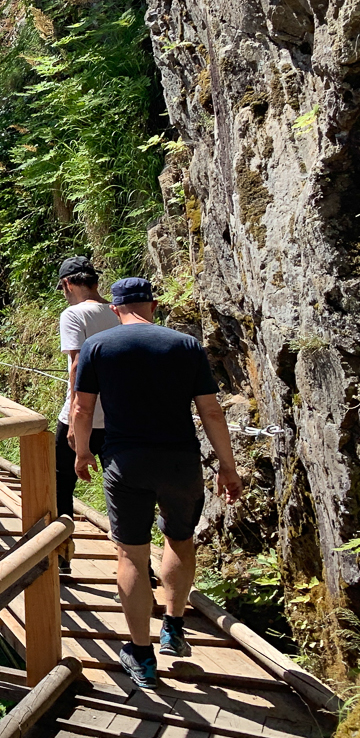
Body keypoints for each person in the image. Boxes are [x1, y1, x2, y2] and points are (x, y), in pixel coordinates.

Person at [69, 276, 242, 690]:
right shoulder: (185, 345)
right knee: (180, 540)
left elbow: (82, 407)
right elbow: (212, 412)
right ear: (154, 305)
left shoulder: (98, 346)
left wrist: (82, 452)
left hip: (126, 462)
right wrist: (227, 466)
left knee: (131, 555)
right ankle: (174, 628)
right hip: (180, 463)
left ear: (115, 309)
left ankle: (142, 656)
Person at [52, 257, 119, 569]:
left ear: (67, 284)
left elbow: (78, 365)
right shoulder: (119, 311)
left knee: (60, 485)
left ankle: (61, 556)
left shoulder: (73, 314)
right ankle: (138, 563)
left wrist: (74, 417)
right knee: (121, 489)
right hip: (117, 416)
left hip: (83, 414)